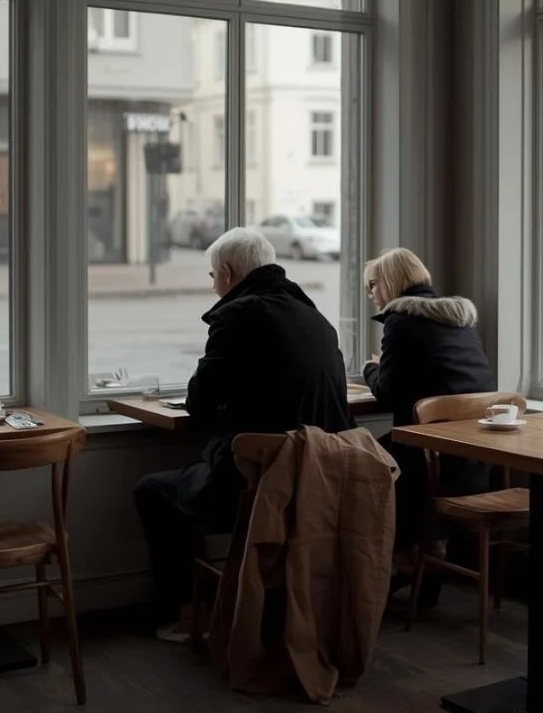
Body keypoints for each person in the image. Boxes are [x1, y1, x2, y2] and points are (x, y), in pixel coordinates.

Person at [134, 226, 353, 641]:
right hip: (318, 485)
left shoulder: (236, 315)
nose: (213, 286)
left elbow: (200, 402)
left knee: (153, 491)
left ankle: (189, 614)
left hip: (259, 486)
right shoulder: (317, 318)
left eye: (213, 276)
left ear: (229, 274)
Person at [362, 248, 494, 585]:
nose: (371, 294)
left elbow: (388, 392)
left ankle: (393, 562)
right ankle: (425, 555)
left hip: (426, 457)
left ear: (391, 282)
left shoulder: (401, 322)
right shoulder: (457, 320)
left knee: (359, 467)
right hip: (473, 455)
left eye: (373, 284)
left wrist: (371, 368)